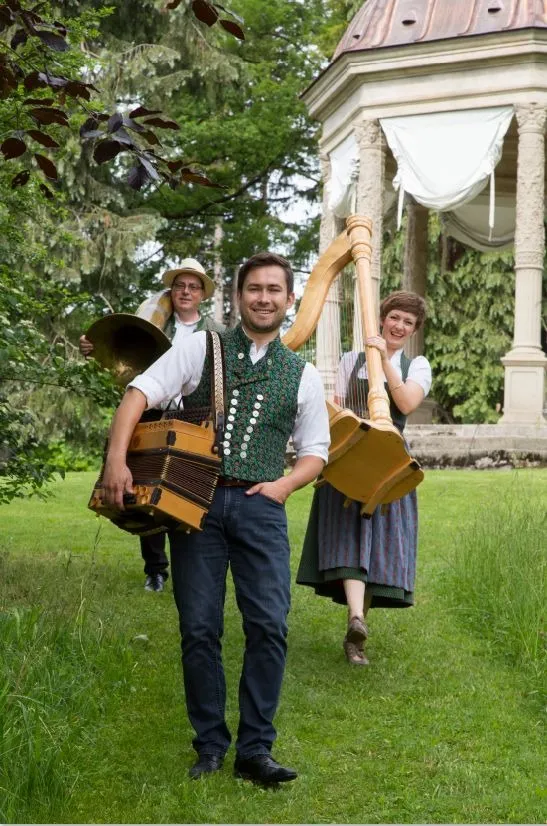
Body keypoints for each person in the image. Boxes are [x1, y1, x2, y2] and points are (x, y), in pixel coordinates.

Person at [100, 252, 330, 784]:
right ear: (237, 296)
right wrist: (116, 461)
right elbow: (138, 394)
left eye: (275, 290)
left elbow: (316, 450)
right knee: (198, 629)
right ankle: (209, 746)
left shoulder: (304, 374)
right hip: (195, 504)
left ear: (289, 300)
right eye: (255, 289)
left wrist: (284, 485)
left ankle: (255, 750)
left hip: (262, 509)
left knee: (268, 625)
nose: (265, 298)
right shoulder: (200, 348)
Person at [297, 290, 431, 666]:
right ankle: (356, 621)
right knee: (348, 539)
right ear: (382, 318)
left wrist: (384, 361)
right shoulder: (348, 360)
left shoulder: (416, 366)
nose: (399, 326)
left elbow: (406, 404)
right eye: (395, 318)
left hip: (388, 466)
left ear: (414, 329)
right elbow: (338, 407)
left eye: (408, 322)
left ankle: (357, 628)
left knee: (375, 548)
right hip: (350, 458)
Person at [80, 259, 225, 593]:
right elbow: (121, 361)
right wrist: (92, 348)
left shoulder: (215, 331)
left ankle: (192, 564)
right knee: (143, 486)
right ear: (171, 291)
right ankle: (156, 569)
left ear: (202, 294)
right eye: (179, 286)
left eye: (193, 287)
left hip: (190, 414)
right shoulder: (154, 321)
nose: (185, 292)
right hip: (149, 410)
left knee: (185, 486)